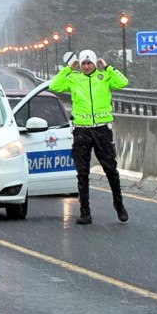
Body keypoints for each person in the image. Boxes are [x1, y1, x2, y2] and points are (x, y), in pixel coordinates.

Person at [49, 48, 130, 225]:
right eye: (84, 63)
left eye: (89, 63)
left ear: (94, 63)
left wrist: (108, 67)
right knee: (82, 173)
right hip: (82, 131)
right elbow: (54, 86)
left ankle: (119, 205)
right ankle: (85, 212)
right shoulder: (74, 78)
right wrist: (68, 68)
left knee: (111, 170)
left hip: (101, 130)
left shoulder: (104, 77)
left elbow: (123, 82)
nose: (86, 66)